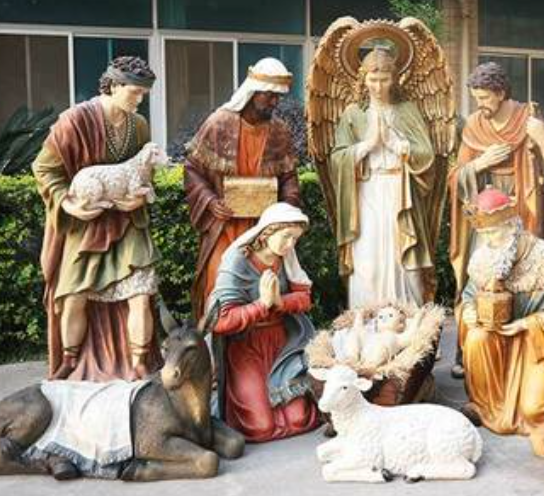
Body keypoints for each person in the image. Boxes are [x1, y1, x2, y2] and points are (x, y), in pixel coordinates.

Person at [33, 56, 161, 381]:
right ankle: (69, 359)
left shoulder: (138, 125)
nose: (140, 99)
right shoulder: (74, 121)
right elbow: (45, 169)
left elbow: (145, 172)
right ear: (114, 86)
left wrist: (141, 195)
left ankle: (139, 362)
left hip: (129, 224)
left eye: (143, 93)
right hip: (87, 224)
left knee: (141, 294)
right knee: (74, 296)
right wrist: (66, 203)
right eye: (135, 92)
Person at [448, 61, 544, 378]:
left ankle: (523, 347)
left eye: (484, 97)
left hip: (522, 209)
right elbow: (457, 175)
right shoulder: (473, 126)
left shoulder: (529, 121)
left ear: (501, 93)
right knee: (482, 276)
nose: (480, 104)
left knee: (523, 274)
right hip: (486, 215)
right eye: (476, 98)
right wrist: (479, 164)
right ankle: (473, 350)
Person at [460, 188, 544, 441]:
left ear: (512, 227)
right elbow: (469, 297)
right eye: (483, 234)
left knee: (532, 410)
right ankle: (484, 405)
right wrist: (469, 311)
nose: (489, 241)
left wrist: (527, 324)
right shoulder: (484, 257)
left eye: (493, 232)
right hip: (498, 339)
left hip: (538, 344)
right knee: (476, 337)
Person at [184, 58, 301, 321]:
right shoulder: (218, 123)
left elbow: (289, 178)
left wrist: (287, 210)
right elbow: (192, 169)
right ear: (252, 92)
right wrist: (210, 201)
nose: (274, 102)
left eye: (278, 97)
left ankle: (260, 341)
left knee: (267, 284)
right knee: (218, 280)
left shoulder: (279, 131)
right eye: (269, 95)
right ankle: (217, 341)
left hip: (265, 229)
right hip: (226, 227)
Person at [328, 48, 438, 308]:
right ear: (363, 79)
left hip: (400, 192)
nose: (378, 87)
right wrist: (366, 145)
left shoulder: (406, 110)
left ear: (395, 79)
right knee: (367, 256)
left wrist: (397, 144)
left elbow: (427, 155)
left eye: (384, 80)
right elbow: (337, 158)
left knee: (402, 255)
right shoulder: (353, 113)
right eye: (373, 80)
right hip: (365, 193)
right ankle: (365, 314)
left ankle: (409, 315)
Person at [204, 202, 319, 442]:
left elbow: (305, 298)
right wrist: (262, 305)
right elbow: (220, 320)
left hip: (283, 346)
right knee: (260, 427)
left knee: (299, 419)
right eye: (286, 237)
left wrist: (280, 302)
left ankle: (279, 408)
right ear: (267, 232)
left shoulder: (286, 258)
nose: (291, 245)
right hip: (247, 348)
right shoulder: (237, 261)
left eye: (295, 239)